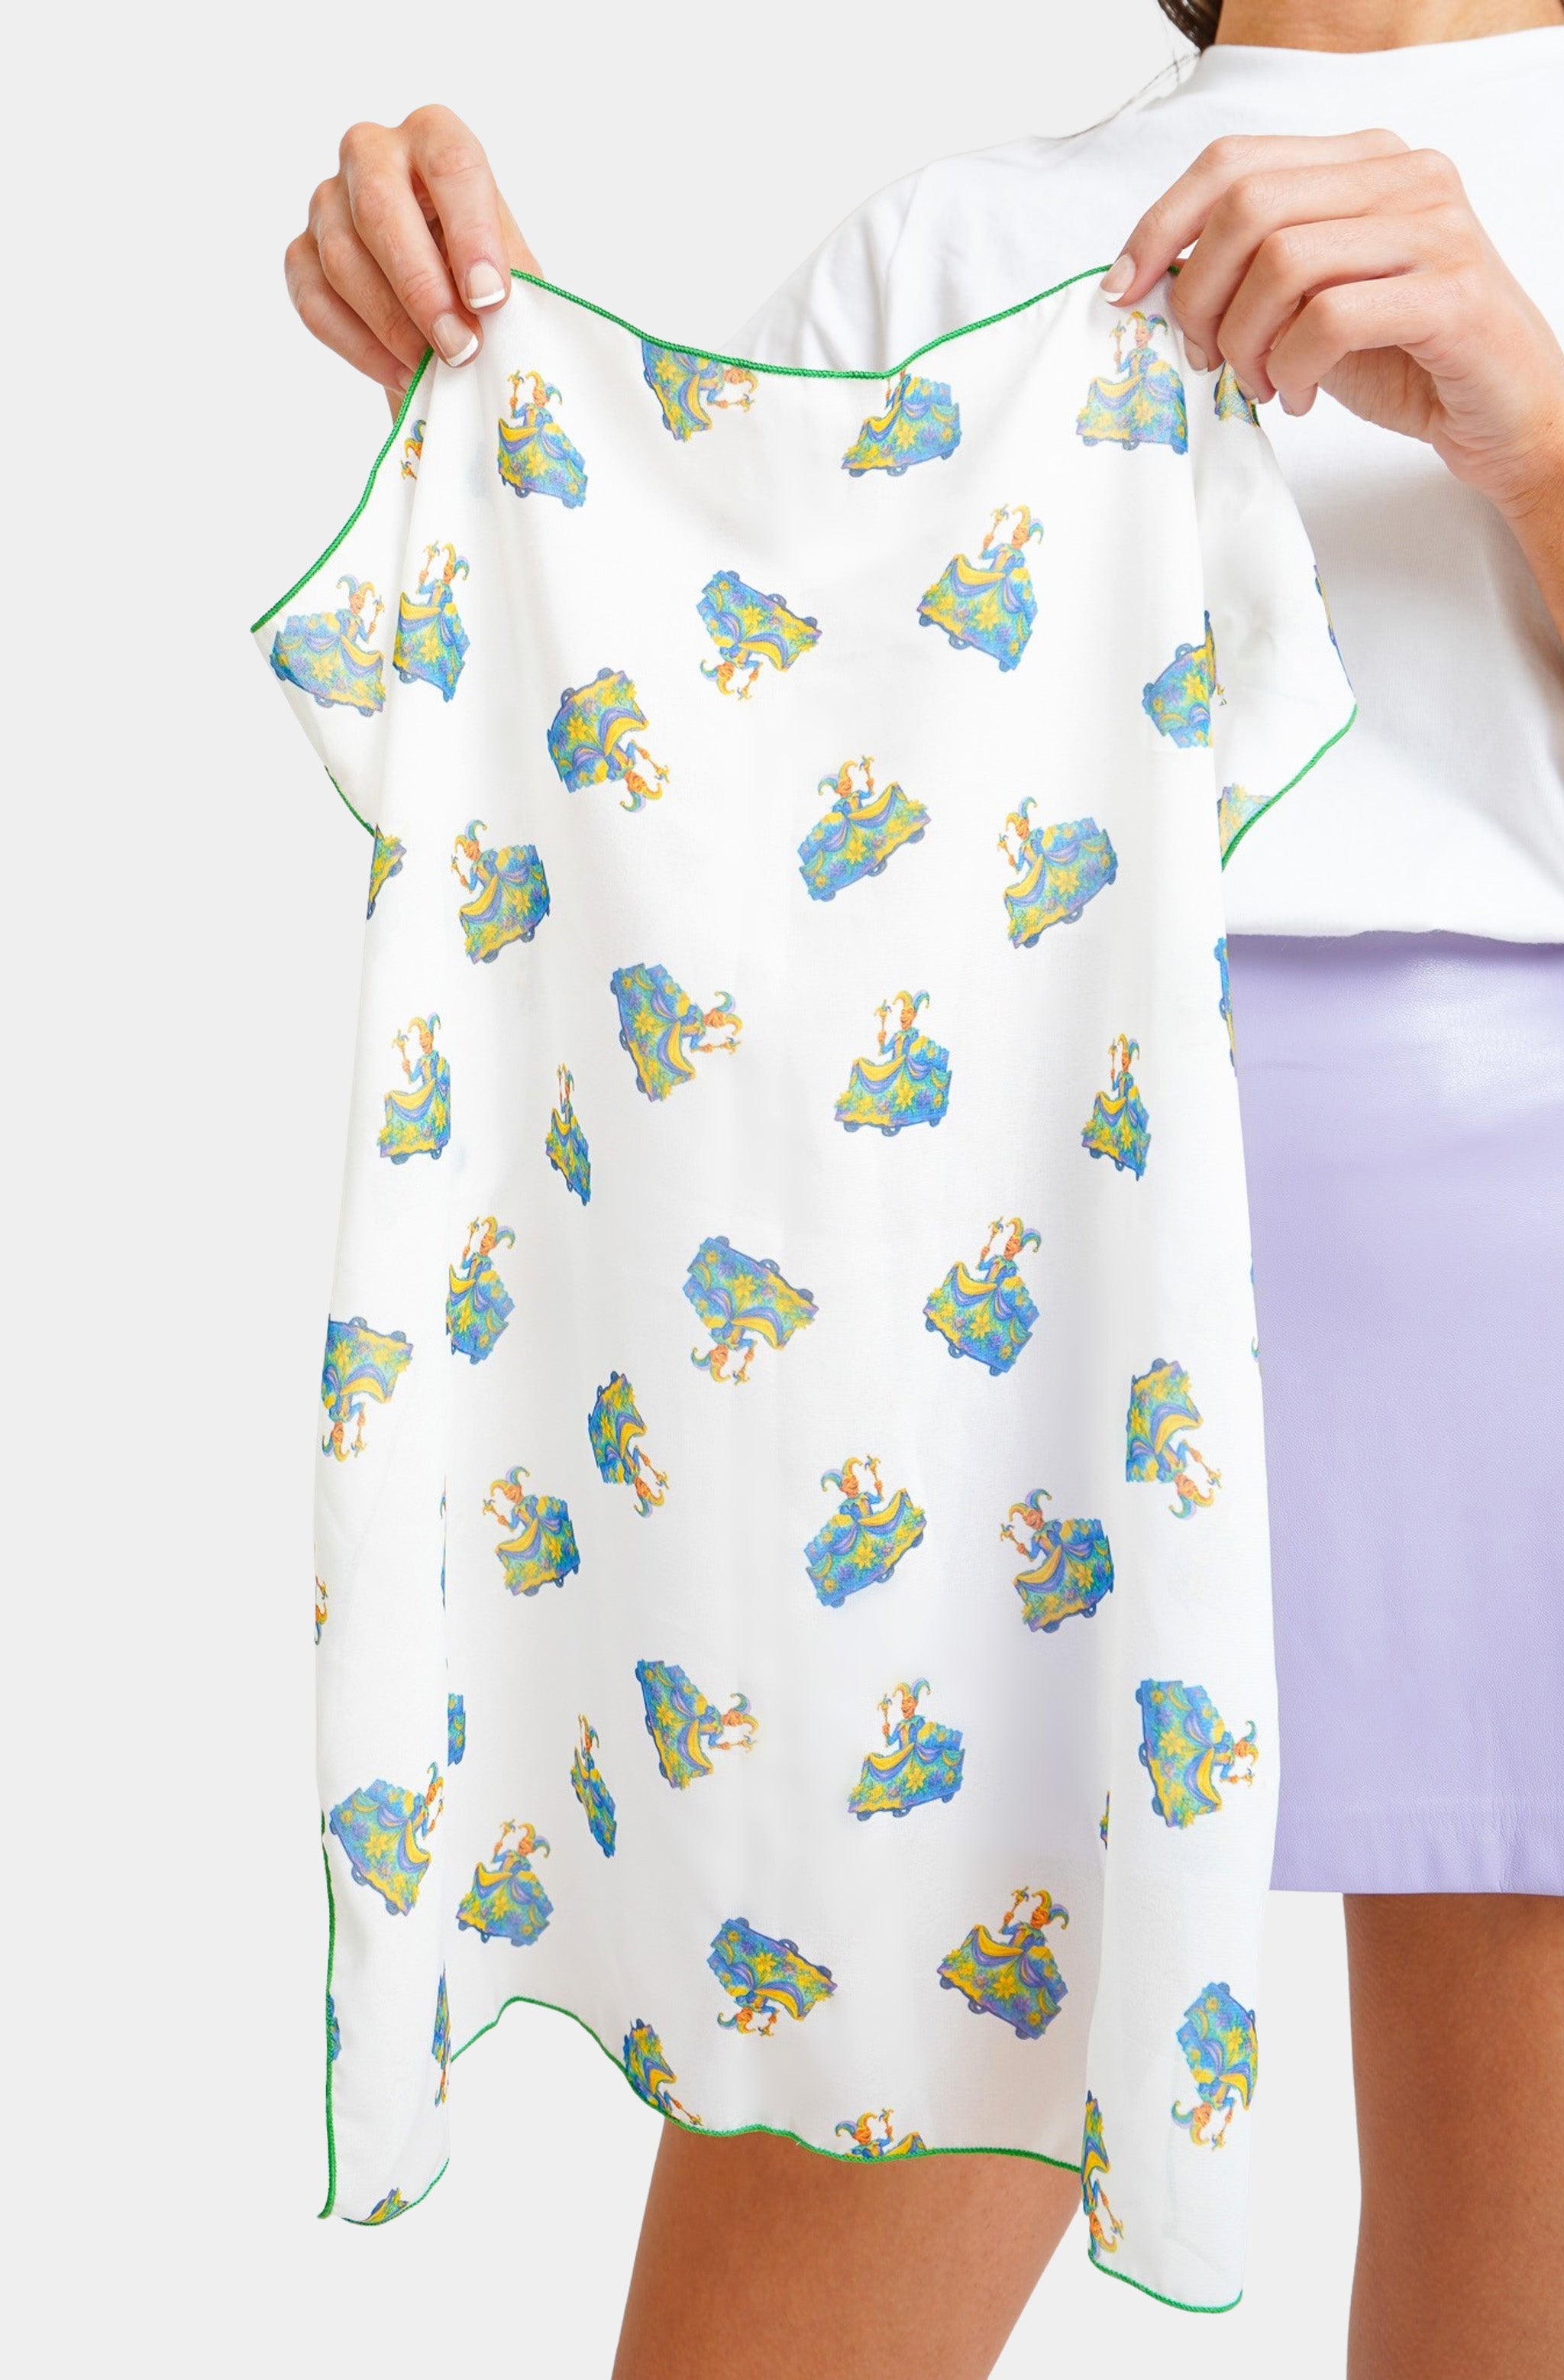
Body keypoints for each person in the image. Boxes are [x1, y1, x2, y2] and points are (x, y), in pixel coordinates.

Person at [282, 2, 1564, 2372]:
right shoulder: (956, 253)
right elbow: (705, 851)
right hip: (1007, 1307)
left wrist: (1539, 424)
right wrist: (492, 409)